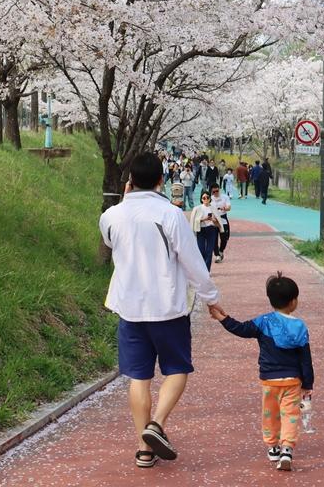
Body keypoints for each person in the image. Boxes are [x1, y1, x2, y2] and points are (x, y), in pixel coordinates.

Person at [99, 152, 223, 468]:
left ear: (129, 181)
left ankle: (144, 448)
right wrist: (211, 298)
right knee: (176, 369)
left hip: (129, 308)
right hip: (167, 308)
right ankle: (157, 423)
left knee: (138, 377)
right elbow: (193, 262)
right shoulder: (171, 215)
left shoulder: (111, 215)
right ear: (160, 180)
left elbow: (112, 245)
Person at [210, 273, 313, 472]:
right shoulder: (299, 326)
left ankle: (273, 447)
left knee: (270, 414)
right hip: (292, 381)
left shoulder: (263, 322)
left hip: (269, 380)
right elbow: (305, 359)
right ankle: (287, 450)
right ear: (293, 302)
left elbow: (240, 329)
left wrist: (222, 318)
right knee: (290, 415)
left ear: (271, 300)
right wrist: (308, 384)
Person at [190, 191, 221, 272]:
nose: (206, 199)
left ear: (210, 198)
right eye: (204, 198)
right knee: (201, 250)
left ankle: (207, 271)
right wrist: (204, 219)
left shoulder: (213, 208)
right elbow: (194, 221)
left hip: (211, 229)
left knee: (209, 251)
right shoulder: (197, 208)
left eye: (207, 197)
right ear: (201, 199)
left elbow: (218, 222)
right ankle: (201, 269)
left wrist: (213, 220)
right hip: (201, 230)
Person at [211, 185, 232, 263]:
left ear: (219, 190)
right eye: (214, 192)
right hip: (214, 219)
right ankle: (217, 255)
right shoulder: (210, 198)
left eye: (217, 191)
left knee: (225, 237)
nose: (215, 193)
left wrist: (225, 208)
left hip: (223, 218)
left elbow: (229, 207)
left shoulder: (225, 197)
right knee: (214, 238)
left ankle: (221, 251)